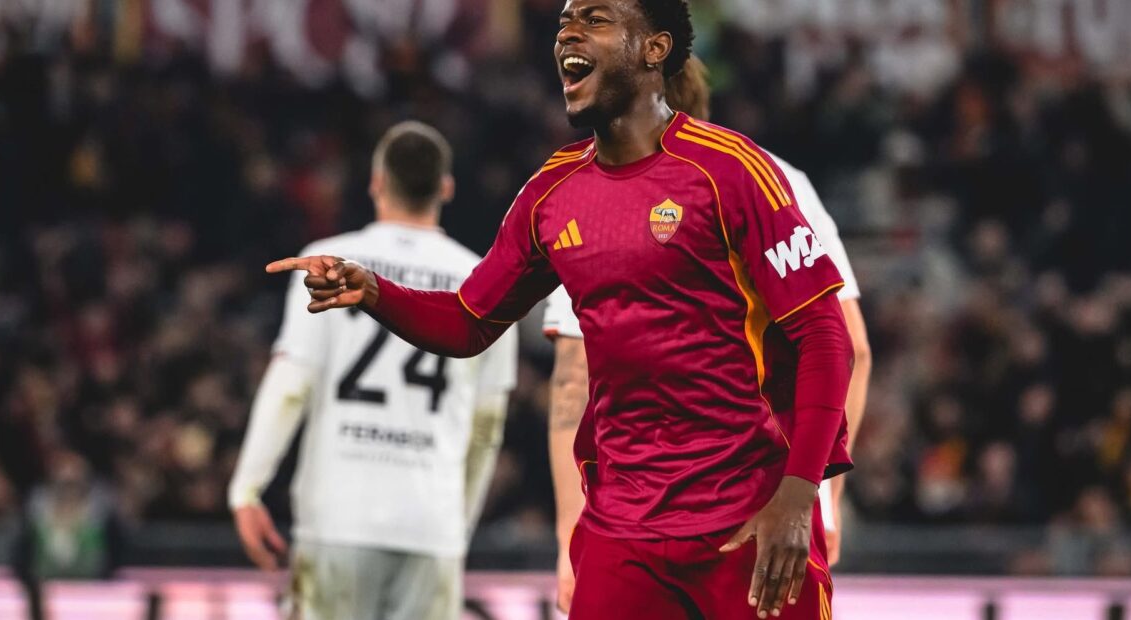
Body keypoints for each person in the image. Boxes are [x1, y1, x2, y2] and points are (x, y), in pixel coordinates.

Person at [267, 1, 854, 617]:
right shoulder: (551, 192)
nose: (569, 33)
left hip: (750, 517)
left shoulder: (730, 169)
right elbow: (468, 322)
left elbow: (825, 335)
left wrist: (799, 495)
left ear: (654, 49)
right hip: (623, 528)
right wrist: (374, 291)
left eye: (595, 19)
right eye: (564, 22)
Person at [543, 55, 873, 613]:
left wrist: (567, 535)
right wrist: (823, 494)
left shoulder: (586, 190)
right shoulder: (779, 178)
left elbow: (575, 380)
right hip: (767, 494)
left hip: (635, 516)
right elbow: (849, 346)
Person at [229, 121, 518, 620]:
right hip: (430, 523)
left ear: (376, 182)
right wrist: (457, 525)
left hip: (338, 516)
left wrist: (247, 489)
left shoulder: (326, 263)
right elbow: (486, 425)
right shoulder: (483, 281)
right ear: (445, 188)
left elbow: (290, 386)